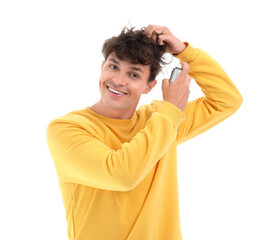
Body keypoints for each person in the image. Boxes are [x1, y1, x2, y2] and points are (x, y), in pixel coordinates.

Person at [47, 24, 243, 240]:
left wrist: (184, 52)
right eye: (113, 67)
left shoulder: (161, 119)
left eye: (133, 74)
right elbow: (121, 175)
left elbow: (227, 101)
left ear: (149, 86)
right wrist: (171, 110)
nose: (118, 80)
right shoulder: (67, 128)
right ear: (102, 67)